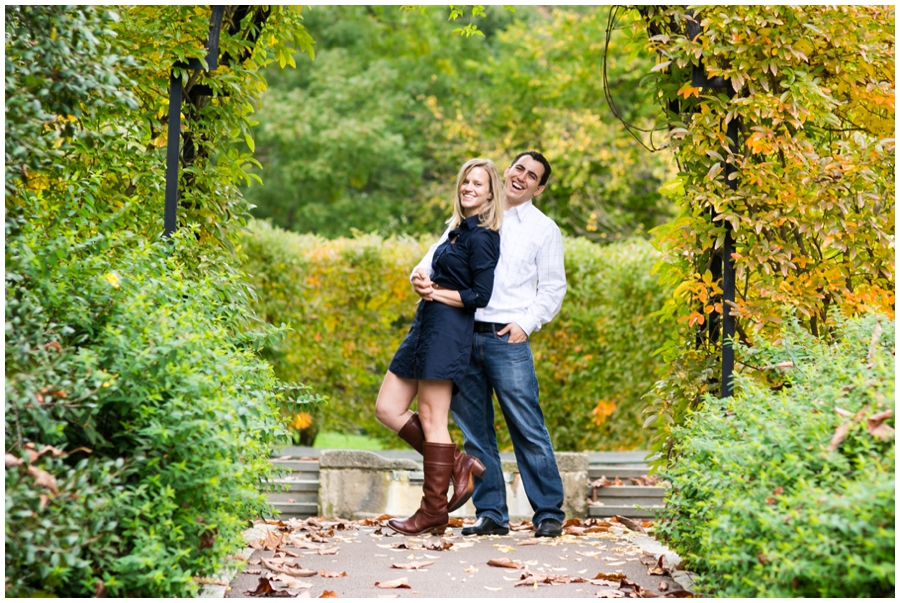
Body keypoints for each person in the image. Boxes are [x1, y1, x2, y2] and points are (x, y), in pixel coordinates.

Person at [411, 151, 567, 538]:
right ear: (507, 171)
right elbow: (433, 259)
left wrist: (525, 324)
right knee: (475, 432)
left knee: (526, 425)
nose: (522, 177)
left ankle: (548, 511)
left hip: (506, 337)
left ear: (539, 187)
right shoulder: (471, 217)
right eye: (518, 168)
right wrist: (418, 273)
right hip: (461, 333)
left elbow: (552, 287)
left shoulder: (543, 229)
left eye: (532, 176)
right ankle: (492, 514)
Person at [375, 158, 504, 536]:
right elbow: (434, 271)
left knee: (433, 419)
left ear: (490, 192)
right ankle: (459, 463)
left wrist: (439, 293)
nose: (469, 188)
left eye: (478, 184)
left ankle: (432, 511)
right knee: (387, 408)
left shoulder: (484, 236)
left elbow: (479, 296)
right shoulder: (457, 230)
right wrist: (421, 279)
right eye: (466, 181)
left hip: (449, 331)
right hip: (425, 324)